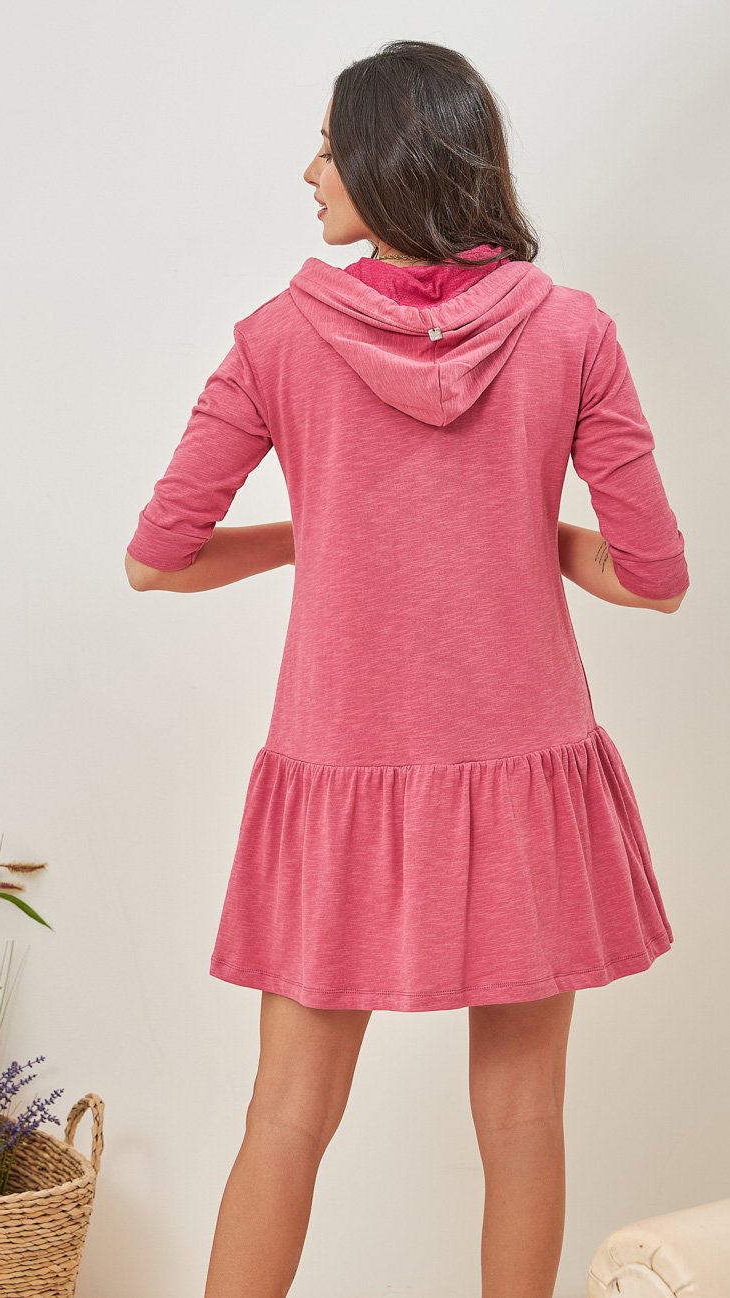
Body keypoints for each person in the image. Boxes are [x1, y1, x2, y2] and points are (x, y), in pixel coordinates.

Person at [124, 39, 689, 1298]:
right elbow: (652, 575)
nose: (309, 171)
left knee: (284, 1116)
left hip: (341, 773)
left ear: (389, 157)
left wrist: (321, 531)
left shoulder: (276, 338)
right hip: (523, 770)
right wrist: (517, 533)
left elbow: (157, 559)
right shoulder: (570, 330)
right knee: (525, 1122)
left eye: (329, 146)